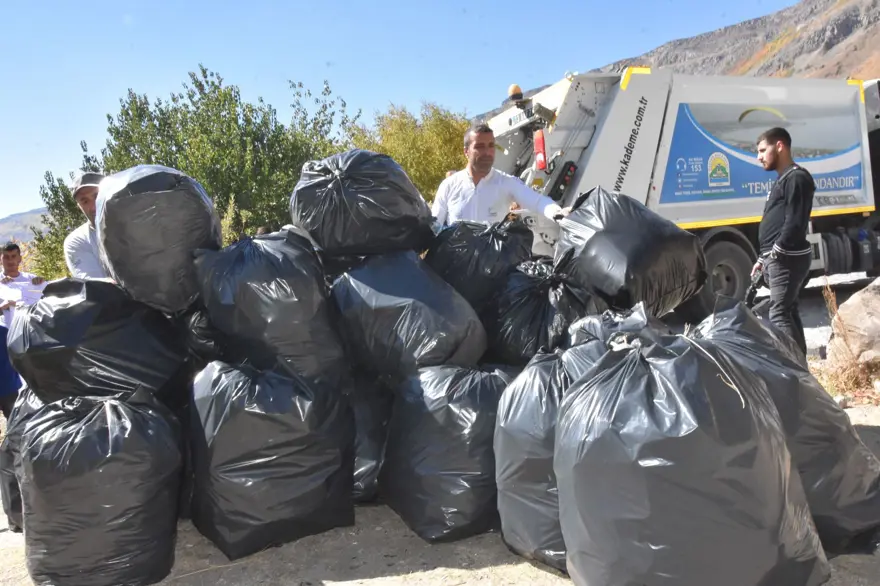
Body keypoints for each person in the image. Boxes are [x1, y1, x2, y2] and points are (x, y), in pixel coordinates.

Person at [751, 127, 816, 356]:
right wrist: (763, 258)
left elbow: (795, 222)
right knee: (787, 310)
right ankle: (801, 366)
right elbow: (777, 221)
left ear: (779, 146)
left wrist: (777, 251)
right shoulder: (784, 179)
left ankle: (794, 368)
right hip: (778, 257)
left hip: (786, 258)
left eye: (762, 150)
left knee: (778, 313)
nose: (758, 157)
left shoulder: (797, 178)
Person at [432, 124, 569, 226]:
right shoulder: (449, 186)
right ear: (466, 151)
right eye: (480, 146)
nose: (487, 152)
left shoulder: (506, 183)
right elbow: (434, 226)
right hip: (456, 257)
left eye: (491, 145)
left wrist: (557, 212)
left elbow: (537, 201)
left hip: (492, 257)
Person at [0, 242, 44, 420]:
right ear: (1, 259)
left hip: (28, 340)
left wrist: (40, 284)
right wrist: (3, 306)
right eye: (6, 257)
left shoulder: (31, 280)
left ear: (20, 258)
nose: (10, 261)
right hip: (4, 342)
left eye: (14, 256)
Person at [63, 171, 110, 279]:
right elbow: (97, 285)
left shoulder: (134, 222)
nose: (94, 207)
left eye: (97, 196)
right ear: (79, 207)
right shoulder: (77, 241)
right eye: (85, 201)